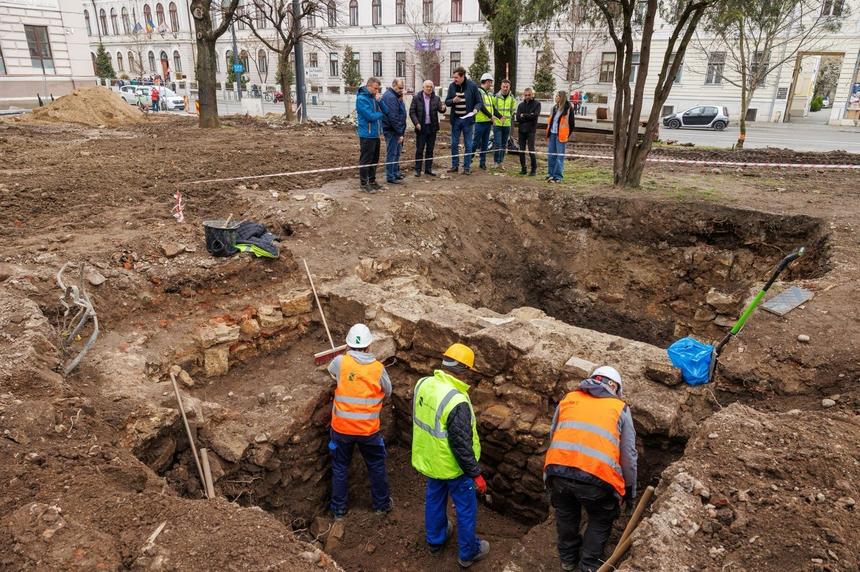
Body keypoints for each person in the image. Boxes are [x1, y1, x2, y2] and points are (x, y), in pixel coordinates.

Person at [544, 366, 638, 572]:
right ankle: (587, 566)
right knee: (599, 520)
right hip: (598, 479)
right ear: (615, 388)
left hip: (558, 471)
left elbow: (554, 434)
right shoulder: (619, 408)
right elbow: (628, 456)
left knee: (566, 514)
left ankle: (568, 560)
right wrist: (630, 492)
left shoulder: (569, 399)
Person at [412, 343, 490, 568]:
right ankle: (468, 553)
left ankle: (435, 540)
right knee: (465, 508)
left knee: (434, 498)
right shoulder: (457, 400)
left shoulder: (423, 384)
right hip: (454, 467)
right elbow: (461, 445)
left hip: (429, 460)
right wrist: (475, 474)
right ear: (463, 370)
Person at [327, 323, 393, 518]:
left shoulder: (340, 362)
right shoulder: (378, 368)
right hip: (368, 431)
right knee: (375, 465)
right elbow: (388, 391)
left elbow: (332, 372)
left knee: (340, 467)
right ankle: (381, 505)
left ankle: (338, 510)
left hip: (341, 429)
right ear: (369, 346)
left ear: (348, 345)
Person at [445, 67, 481, 175]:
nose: (454, 79)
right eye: (453, 77)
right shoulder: (452, 86)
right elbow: (447, 102)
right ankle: (454, 166)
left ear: (462, 76)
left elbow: (479, 102)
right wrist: (453, 100)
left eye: (456, 77)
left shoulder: (472, 86)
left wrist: (475, 109)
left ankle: (466, 167)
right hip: (455, 120)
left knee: (468, 144)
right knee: (454, 143)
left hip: (468, 120)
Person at [355, 77, 389, 192]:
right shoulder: (361, 99)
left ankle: (372, 180)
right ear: (368, 86)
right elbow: (370, 116)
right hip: (366, 134)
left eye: (378, 89)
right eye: (375, 88)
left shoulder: (374, 98)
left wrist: (380, 101)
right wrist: (380, 114)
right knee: (366, 160)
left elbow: (386, 111)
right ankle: (364, 184)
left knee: (374, 159)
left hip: (375, 134)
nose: (377, 91)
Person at [409, 79, 447, 177]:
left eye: (431, 87)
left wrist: (443, 109)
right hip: (421, 127)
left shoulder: (436, 98)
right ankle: (417, 170)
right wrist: (416, 123)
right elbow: (412, 112)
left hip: (432, 127)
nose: (429, 88)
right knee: (420, 149)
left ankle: (428, 169)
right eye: (427, 86)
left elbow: (441, 109)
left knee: (430, 149)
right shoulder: (417, 98)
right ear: (423, 87)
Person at [471, 73, 503, 170]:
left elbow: (492, 107)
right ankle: (468, 160)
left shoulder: (488, 94)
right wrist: (491, 116)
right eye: (490, 82)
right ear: (487, 81)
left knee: (485, 143)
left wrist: (500, 116)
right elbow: (481, 106)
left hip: (488, 122)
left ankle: (482, 162)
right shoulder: (479, 92)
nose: (491, 84)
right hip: (480, 122)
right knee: (475, 143)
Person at [381, 79, 407, 185]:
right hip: (392, 130)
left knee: (396, 153)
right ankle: (390, 176)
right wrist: (399, 132)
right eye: (400, 88)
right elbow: (393, 117)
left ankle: (395, 172)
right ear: (394, 85)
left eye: (402, 88)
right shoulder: (390, 97)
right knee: (392, 153)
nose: (401, 90)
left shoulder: (396, 97)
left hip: (396, 129)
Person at [546, 90, 576, 183]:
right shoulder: (554, 108)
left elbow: (572, 124)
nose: (556, 98)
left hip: (561, 136)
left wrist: (566, 134)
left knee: (560, 157)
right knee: (551, 155)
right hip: (552, 134)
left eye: (557, 96)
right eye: (555, 96)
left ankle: (558, 176)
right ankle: (551, 174)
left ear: (561, 97)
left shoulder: (568, 108)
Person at [516, 87, 541, 176]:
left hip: (531, 131)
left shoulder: (537, 104)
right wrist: (528, 116)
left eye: (529, 95)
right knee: (521, 150)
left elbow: (535, 116)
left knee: (531, 150)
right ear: (524, 95)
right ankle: (523, 169)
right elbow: (518, 118)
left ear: (532, 95)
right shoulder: (521, 105)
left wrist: (524, 115)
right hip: (521, 131)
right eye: (526, 95)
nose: (527, 96)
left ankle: (533, 169)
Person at [493, 79, 516, 169]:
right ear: (501, 87)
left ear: (509, 87)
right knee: (497, 143)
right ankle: (495, 161)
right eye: (504, 86)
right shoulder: (496, 97)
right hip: (497, 124)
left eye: (507, 87)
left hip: (507, 124)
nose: (505, 88)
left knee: (503, 144)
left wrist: (509, 116)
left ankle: (500, 162)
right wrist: (499, 117)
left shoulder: (512, 98)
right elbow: (493, 109)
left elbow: (513, 110)